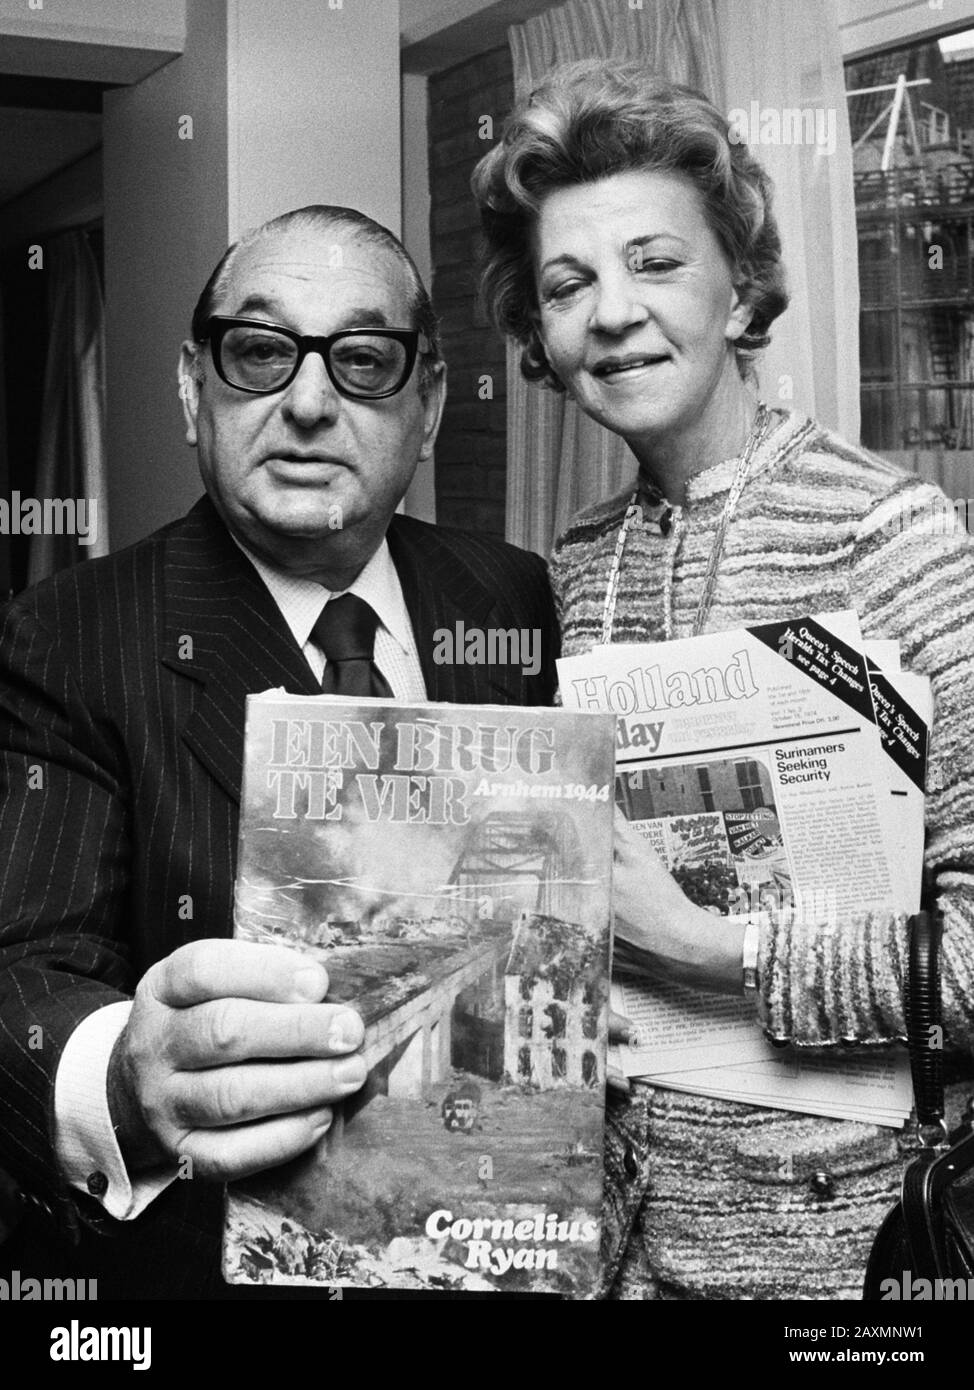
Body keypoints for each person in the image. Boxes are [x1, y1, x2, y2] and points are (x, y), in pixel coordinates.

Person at [472, 60, 974, 1300]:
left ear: (738, 283)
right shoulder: (579, 564)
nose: (611, 313)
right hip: (617, 1244)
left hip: (842, 1263)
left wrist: (714, 951)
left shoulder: (887, 533)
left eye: (656, 262)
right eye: (567, 284)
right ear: (538, 336)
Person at [0, 204, 559, 1298]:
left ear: (430, 403)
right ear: (190, 385)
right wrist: (122, 1077)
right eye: (260, 353)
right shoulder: (66, 635)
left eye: (362, 360)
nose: (307, 403)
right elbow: (22, 969)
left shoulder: (514, 594)